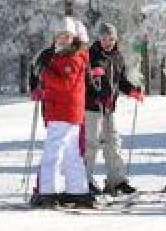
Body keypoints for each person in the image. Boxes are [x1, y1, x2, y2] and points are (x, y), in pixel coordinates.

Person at [31, 16, 94, 209]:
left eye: (67, 36)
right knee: (71, 153)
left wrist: (45, 74)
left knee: (53, 152)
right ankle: (77, 190)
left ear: (73, 38)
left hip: (63, 112)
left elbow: (64, 85)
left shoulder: (72, 58)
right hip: (66, 111)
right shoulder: (63, 56)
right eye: (59, 36)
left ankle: (48, 192)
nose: (62, 39)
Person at [84, 22, 144, 195]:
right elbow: (87, 82)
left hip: (109, 108)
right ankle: (84, 180)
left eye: (111, 38)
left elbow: (120, 82)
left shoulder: (117, 57)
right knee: (91, 144)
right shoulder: (92, 56)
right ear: (99, 39)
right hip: (92, 109)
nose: (107, 42)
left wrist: (133, 90)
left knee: (113, 143)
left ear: (115, 39)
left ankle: (116, 181)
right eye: (104, 38)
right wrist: (98, 95)